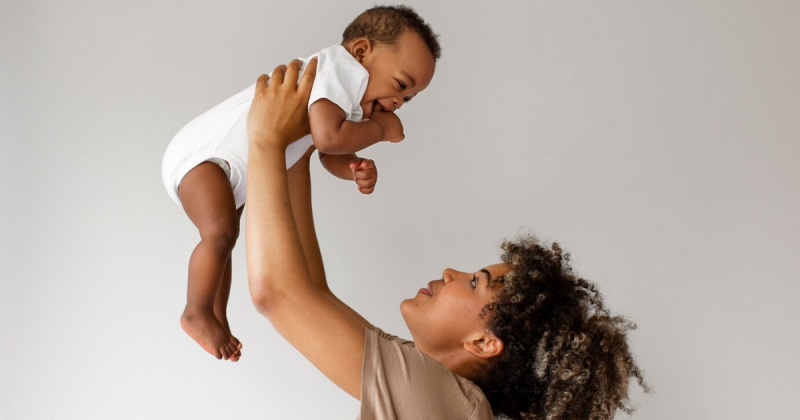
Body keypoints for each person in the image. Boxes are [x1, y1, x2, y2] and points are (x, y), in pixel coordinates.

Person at [244, 60, 649, 419]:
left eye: (475, 282)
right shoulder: (446, 395)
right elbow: (311, 292)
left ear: (483, 341)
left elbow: (278, 294)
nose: (451, 272)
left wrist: (265, 140)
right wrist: (294, 149)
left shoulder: (442, 397)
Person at [160, 5, 440, 360]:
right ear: (361, 52)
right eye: (400, 85)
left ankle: (215, 316)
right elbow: (326, 137)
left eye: (408, 99)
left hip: (232, 169)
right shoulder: (340, 70)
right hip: (204, 156)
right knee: (220, 233)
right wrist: (380, 130)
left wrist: (351, 168)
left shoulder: (349, 102)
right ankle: (196, 312)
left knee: (223, 239)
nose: (399, 101)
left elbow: (326, 153)